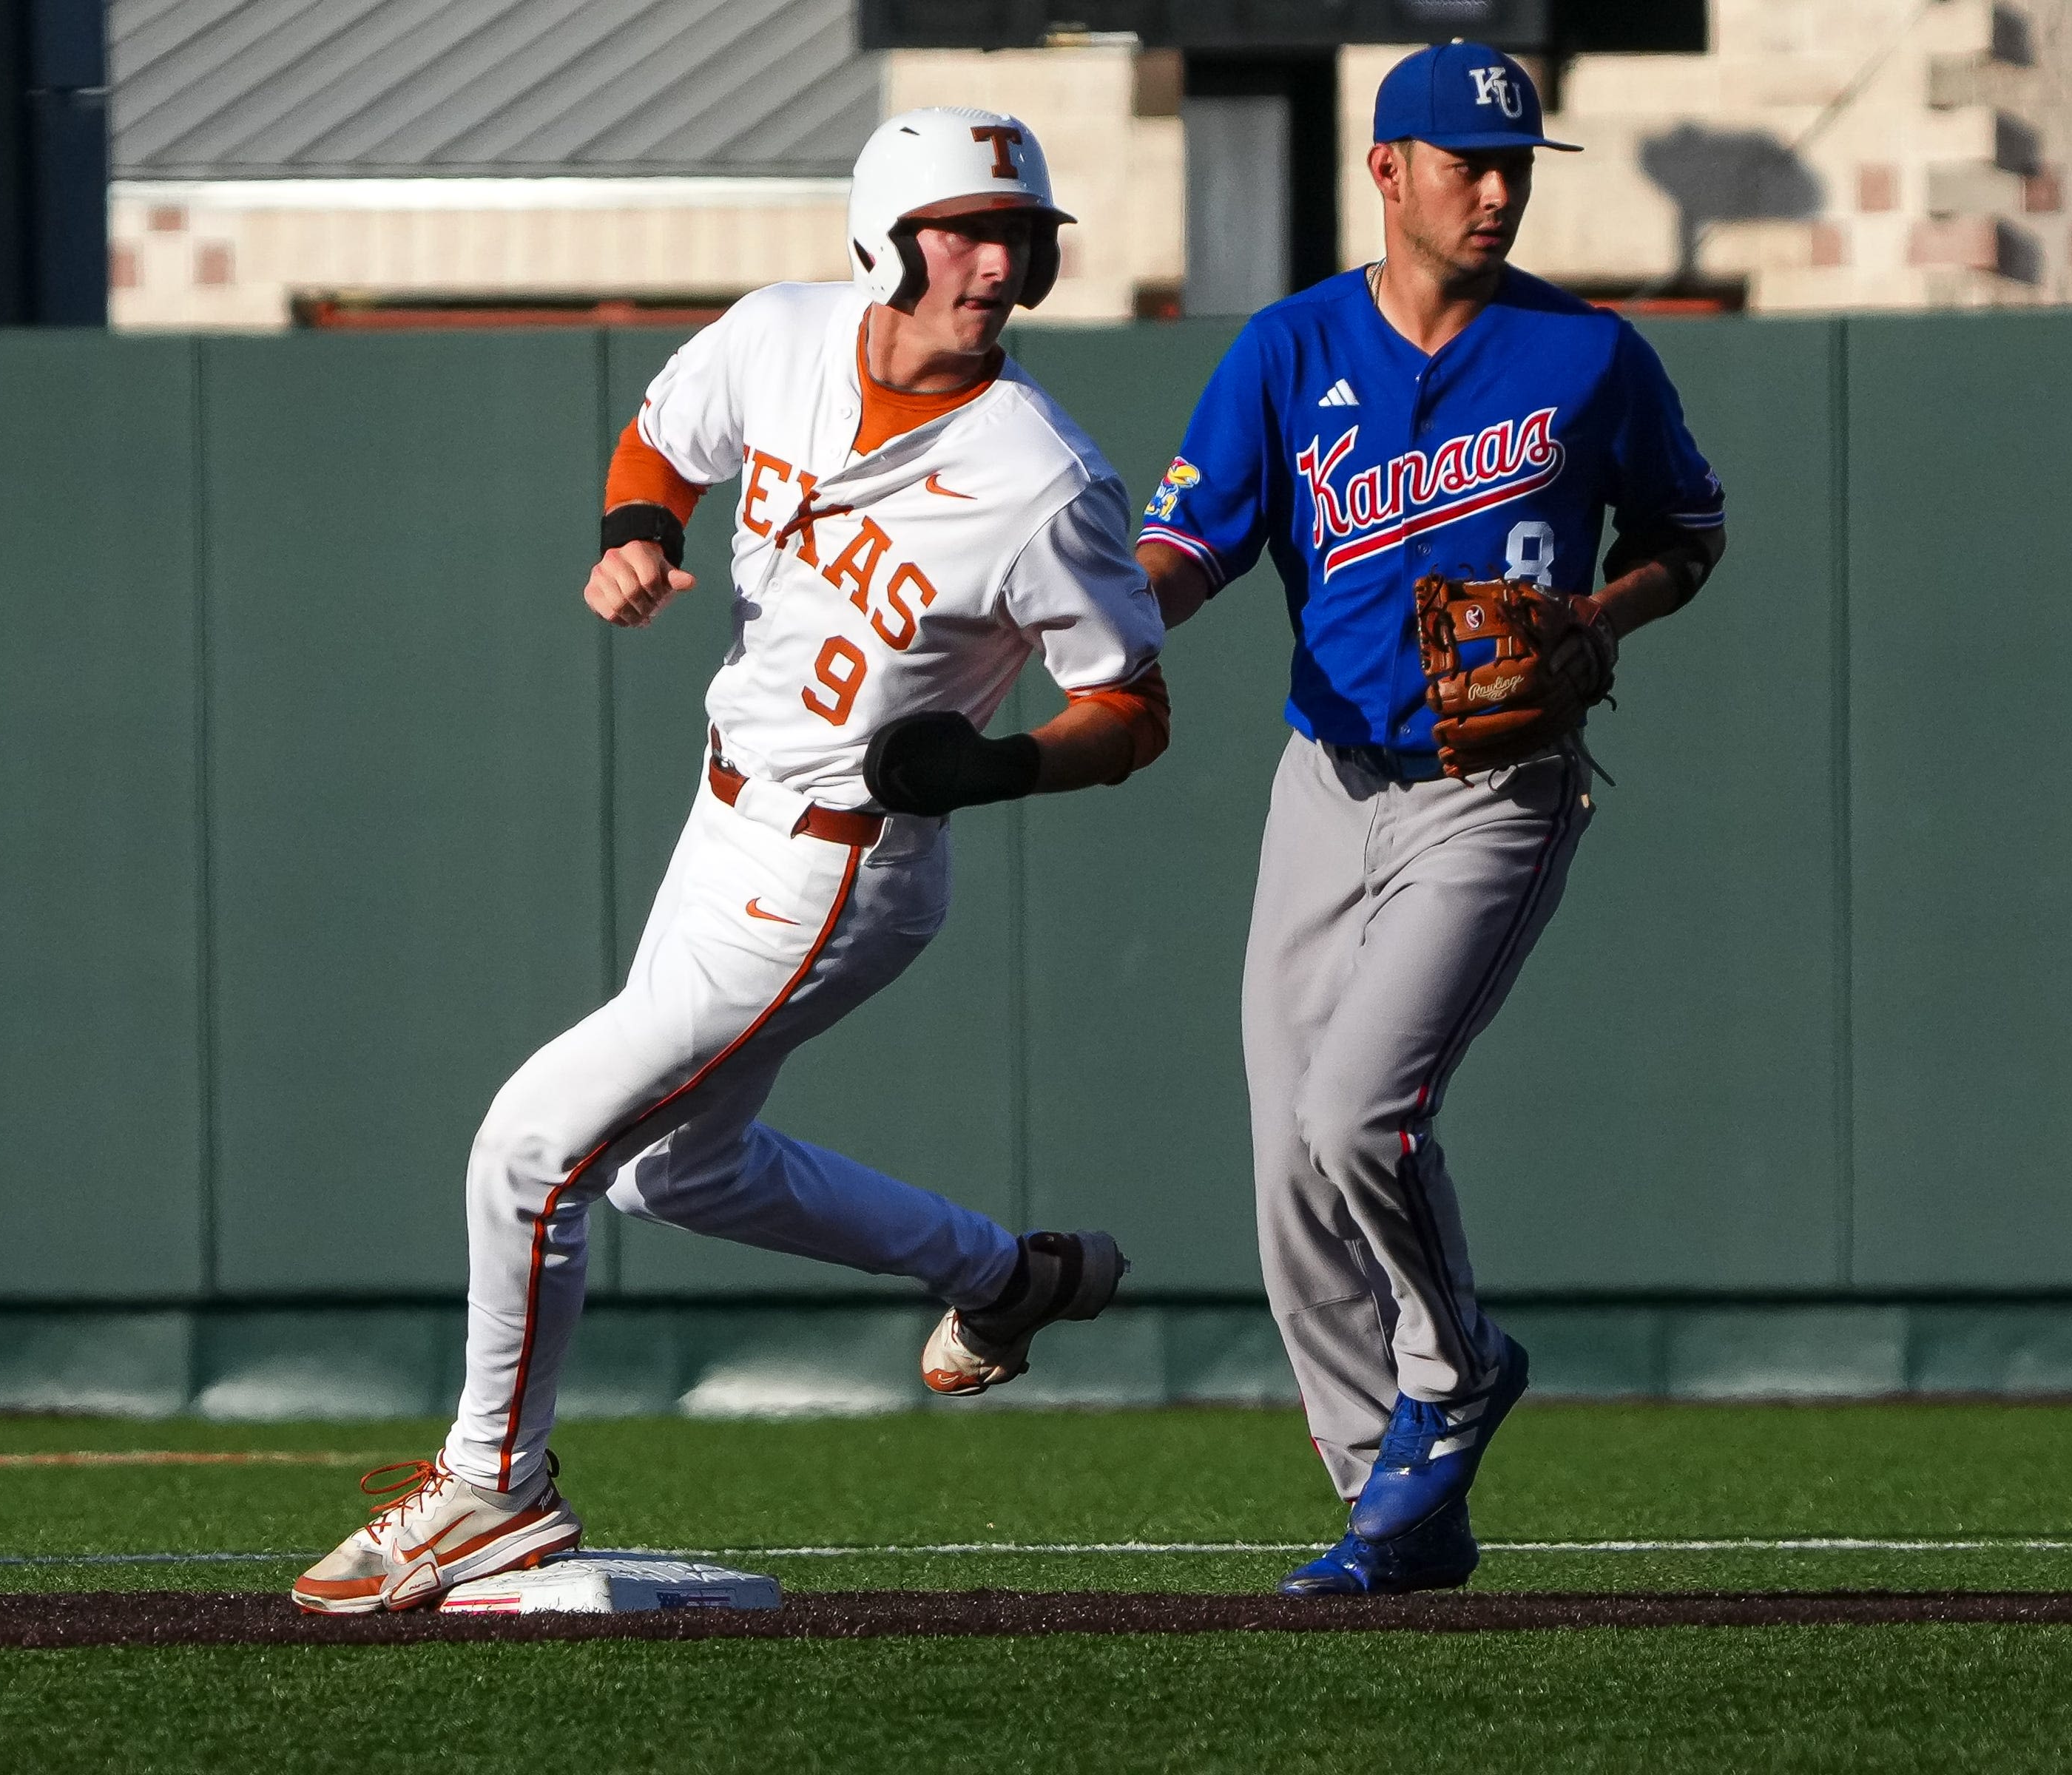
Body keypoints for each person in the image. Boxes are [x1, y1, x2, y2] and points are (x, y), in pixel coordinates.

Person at [296, 107, 1172, 1615]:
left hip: (846, 860)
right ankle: (999, 1275)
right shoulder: (778, 336)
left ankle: (492, 1487)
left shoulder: (1044, 475)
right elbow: (663, 438)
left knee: (530, 1145)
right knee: (670, 1171)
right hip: (727, 815)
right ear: (884, 238)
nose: (996, 262)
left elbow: (1133, 708)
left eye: (1020, 237)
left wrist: (1008, 762)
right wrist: (635, 529)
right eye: (963, 229)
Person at [1136, 42, 1727, 1595]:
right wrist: (1090, 615)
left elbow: (1691, 532)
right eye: (1466, 160)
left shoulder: (1589, 353)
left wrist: (1604, 613)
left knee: (1360, 1119)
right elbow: (1190, 547)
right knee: (1286, 1169)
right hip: (1325, 782)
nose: (1496, 187)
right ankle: (1389, 1508)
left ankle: (1455, 1373)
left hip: (1499, 788)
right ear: (1386, 170)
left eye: (1516, 163)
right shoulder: (1288, 346)